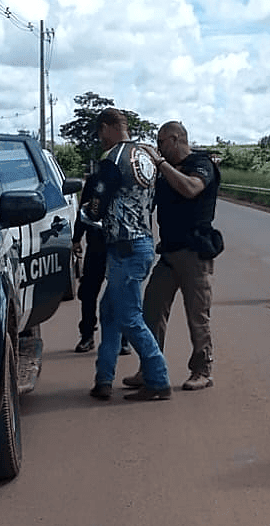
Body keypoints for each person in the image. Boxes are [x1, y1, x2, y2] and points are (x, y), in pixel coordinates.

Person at [123, 121, 220, 391]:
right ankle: (150, 369)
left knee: (197, 316)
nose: (159, 147)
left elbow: (191, 188)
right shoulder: (164, 173)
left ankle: (203, 370)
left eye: (162, 141)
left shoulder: (202, 164)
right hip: (169, 253)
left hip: (195, 253)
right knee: (151, 311)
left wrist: (161, 165)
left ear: (176, 139)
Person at [84, 107, 171, 401]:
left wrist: (89, 215)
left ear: (107, 127)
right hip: (143, 240)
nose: (101, 140)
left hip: (124, 246)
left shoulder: (112, 160)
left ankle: (158, 378)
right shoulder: (145, 156)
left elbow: (98, 201)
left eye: (100, 133)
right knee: (109, 312)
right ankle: (104, 379)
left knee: (130, 317)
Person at [72, 175, 132, 355]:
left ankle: (124, 339)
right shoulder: (96, 180)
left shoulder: (130, 177)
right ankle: (87, 335)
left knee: (121, 291)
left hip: (122, 243)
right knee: (89, 291)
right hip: (97, 242)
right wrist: (77, 239)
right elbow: (84, 210)